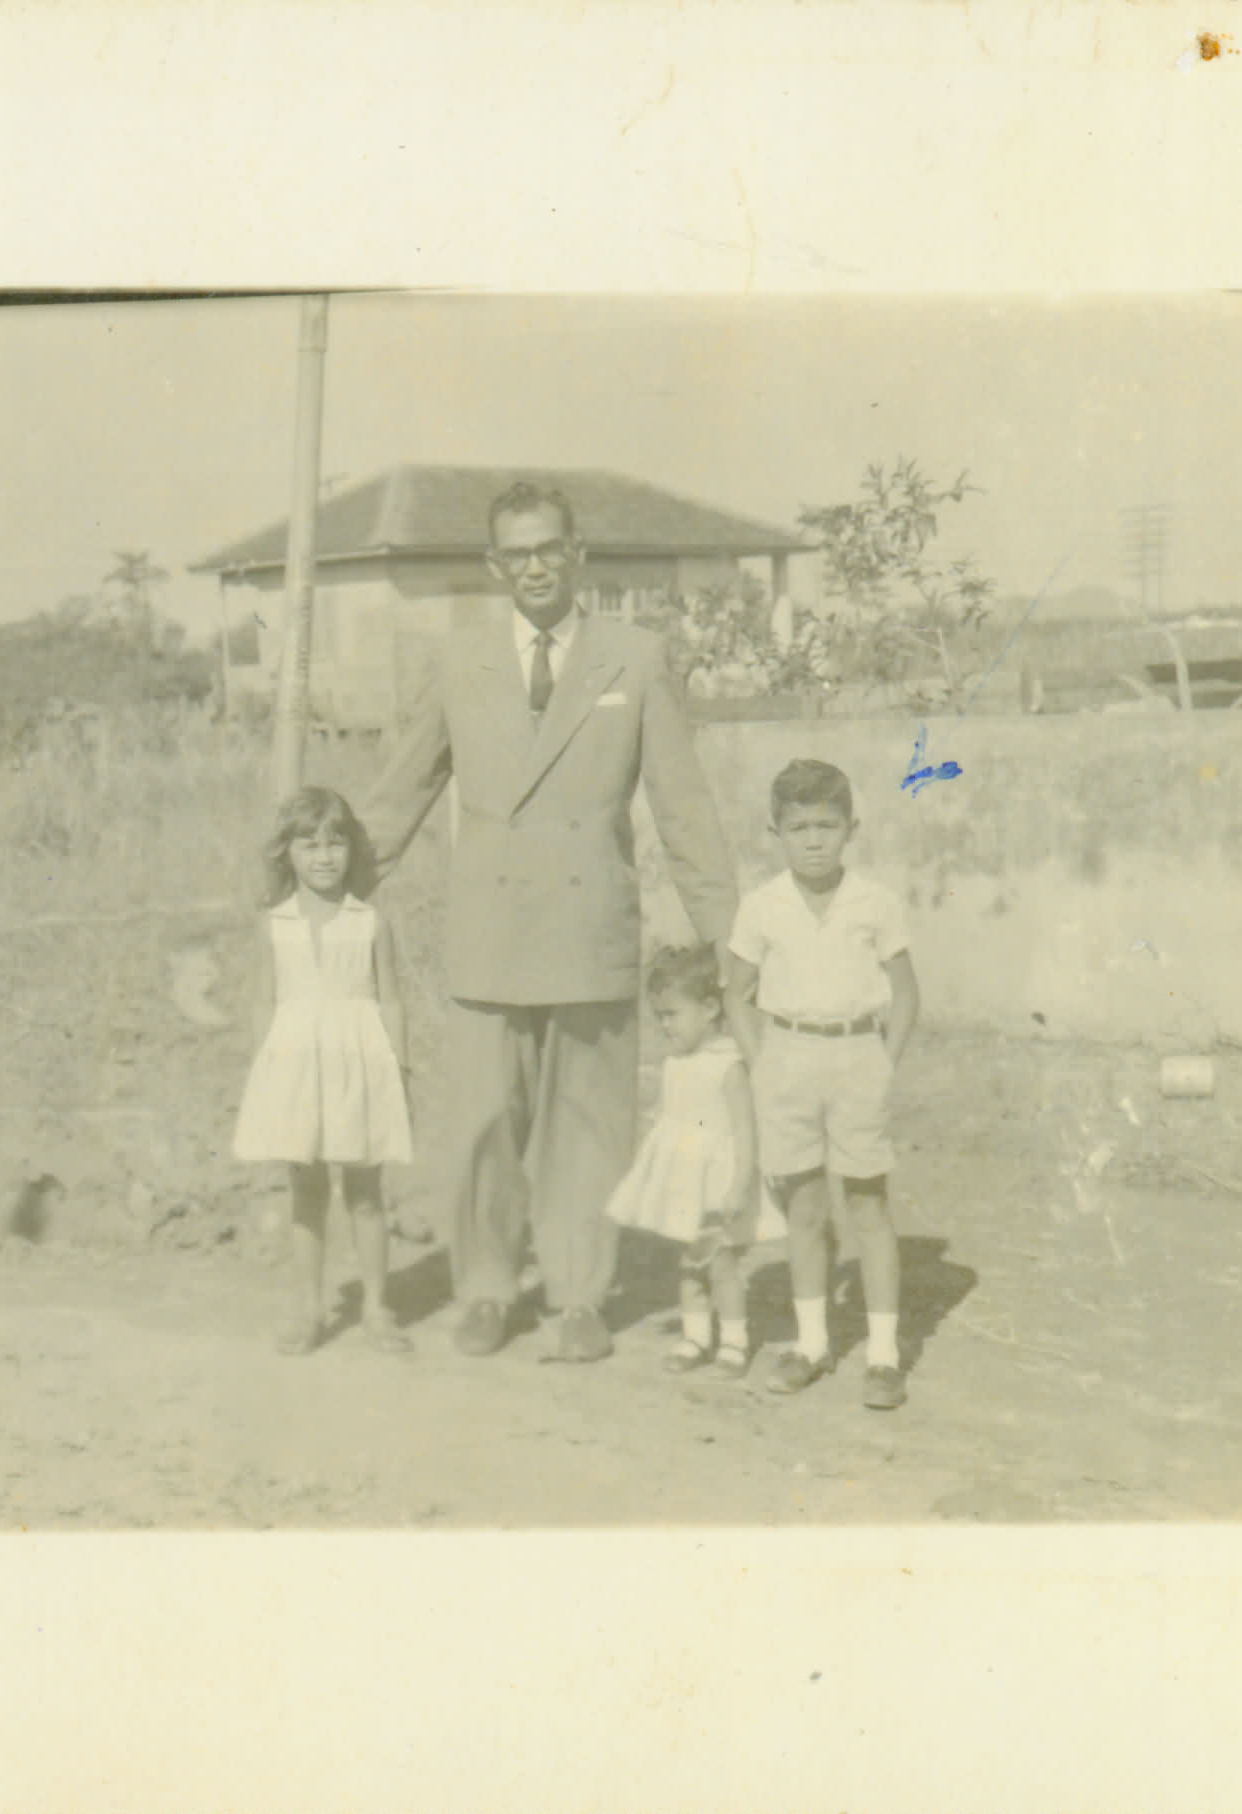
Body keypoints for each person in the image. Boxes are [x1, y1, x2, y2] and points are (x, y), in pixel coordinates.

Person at [362, 482, 738, 1363]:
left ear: (577, 557)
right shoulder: (458, 661)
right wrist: (324, 887)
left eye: (547, 549)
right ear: (495, 567)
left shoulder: (634, 658)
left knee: (586, 1127)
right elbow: (400, 790)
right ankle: (486, 1288)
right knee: (484, 1124)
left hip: (588, 926)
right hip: (487, 931)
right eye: (516, 553)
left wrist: (731, 937)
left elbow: (683, 808)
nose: (533, 567)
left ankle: (577, 1296)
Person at [723, 758, 922, 1409]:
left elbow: (905, 992)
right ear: (775, 833)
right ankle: (811, 1345)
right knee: (803, 1210)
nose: (813, 841)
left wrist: (883, 1061)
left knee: (867, 1205)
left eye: (826, 826)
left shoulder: (874, 902)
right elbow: (736, 994)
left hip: (856, 1056)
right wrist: (761, 1061)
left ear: (850, 830)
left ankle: (884, 1356)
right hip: (787, 1058)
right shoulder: (761, 906)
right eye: (799, 827)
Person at [232, 786, 415, 1356]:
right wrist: (265, 1074)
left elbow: (391, 999)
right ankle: (308, 1309)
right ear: (286, 853)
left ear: (352, 850)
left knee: (365, 1191)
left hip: (358, 1063)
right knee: (306, 1191)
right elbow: (263, 1001)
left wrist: (399, 1066)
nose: (324, 856)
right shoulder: (275, 924)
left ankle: (377, 1308)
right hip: (296, 1067)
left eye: (335, 843)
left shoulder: (370, 922)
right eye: (309, 845)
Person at [604, 944, 780, 1380]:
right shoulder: (674, 1064)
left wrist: (739, 1185)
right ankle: (696, 1336)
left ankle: (735, 1341)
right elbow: (668, 1121)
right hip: (686, 1180)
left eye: (672, 1015)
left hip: (717, 1183)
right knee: (689, 1261)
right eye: (659, 1016)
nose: (665, 1025)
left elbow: (745, 1131)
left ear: (709, 1009)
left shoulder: (728, 1066)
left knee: (720, 1263)